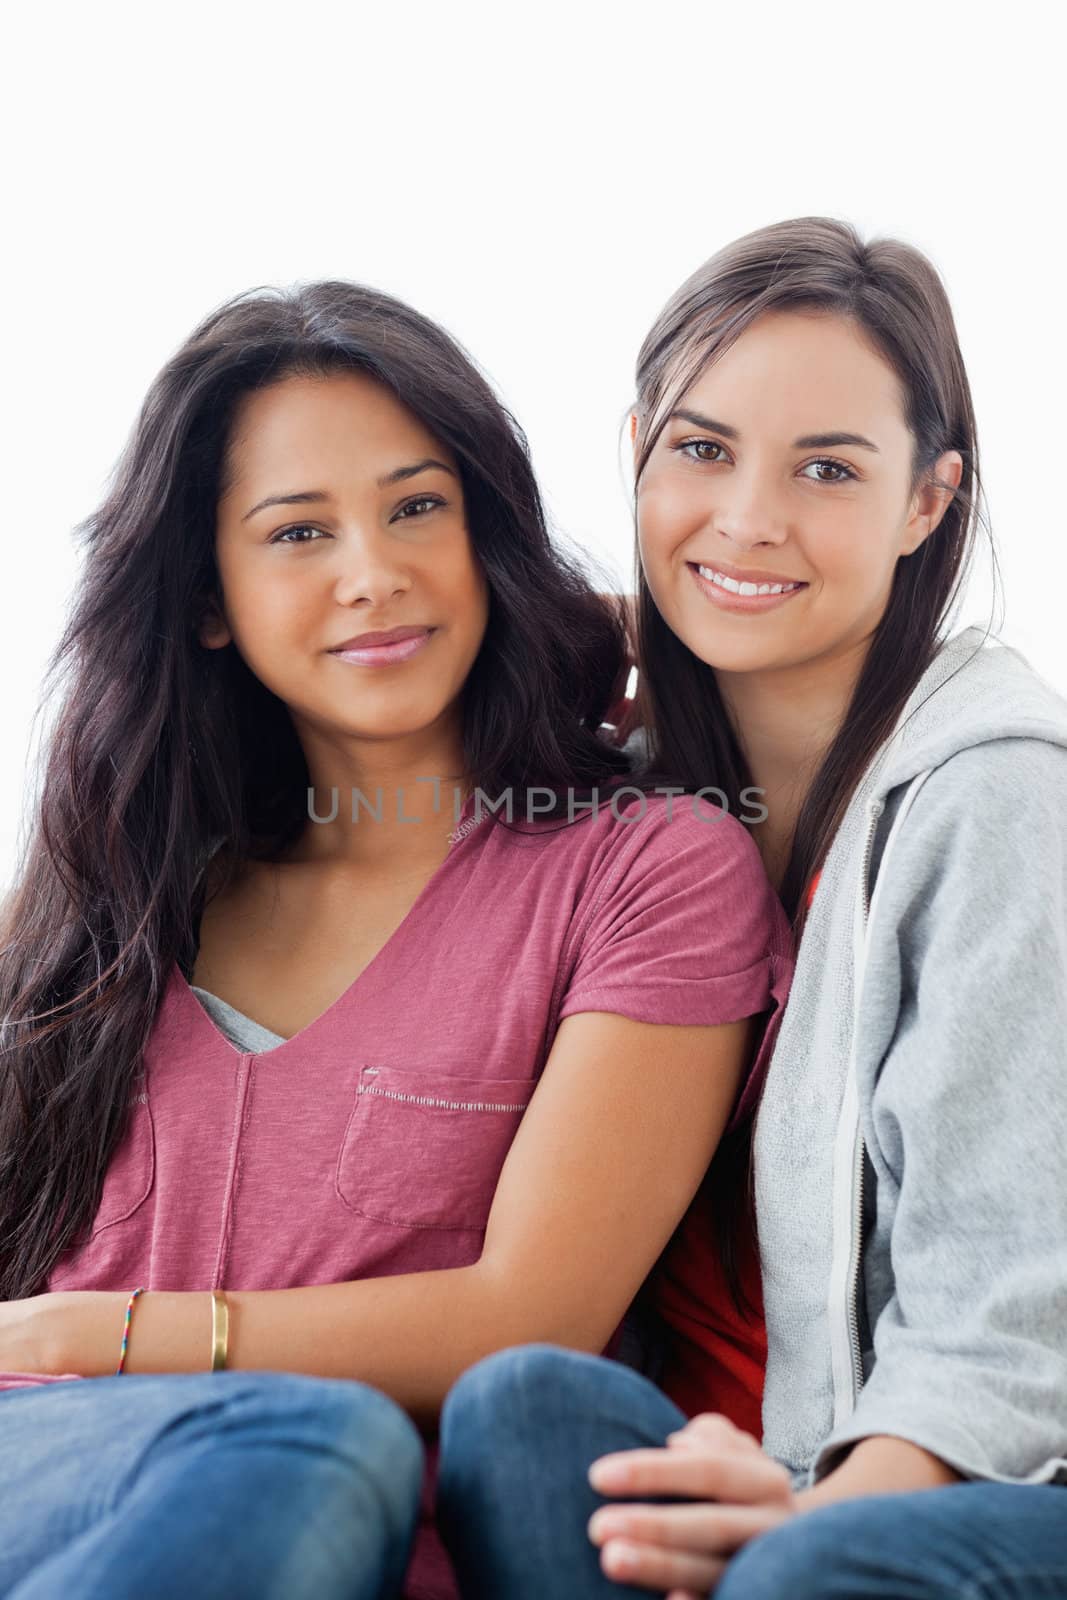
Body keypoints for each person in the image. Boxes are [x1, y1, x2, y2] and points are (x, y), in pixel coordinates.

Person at [0, 279, 793, 1599]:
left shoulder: (645, 873)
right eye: (298, 532)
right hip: (39, 1480)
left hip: (336, 1524)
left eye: (417, 507)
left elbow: (531, 1315)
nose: (374, 574)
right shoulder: (110, 892)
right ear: (210, 599)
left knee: (316, 1444)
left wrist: (92, 1331)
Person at [436, 216, 1067, 1598]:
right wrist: (523, 664)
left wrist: (820, 1522)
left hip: (986, 1481)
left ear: (927, 502)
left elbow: (1015, 1331)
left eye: (827, 470)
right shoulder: (629, 811)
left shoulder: (1001, 794)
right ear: (641, 451)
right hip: (750, 1465)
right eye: (703, 451)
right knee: (521, 1413)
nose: (748, 520)